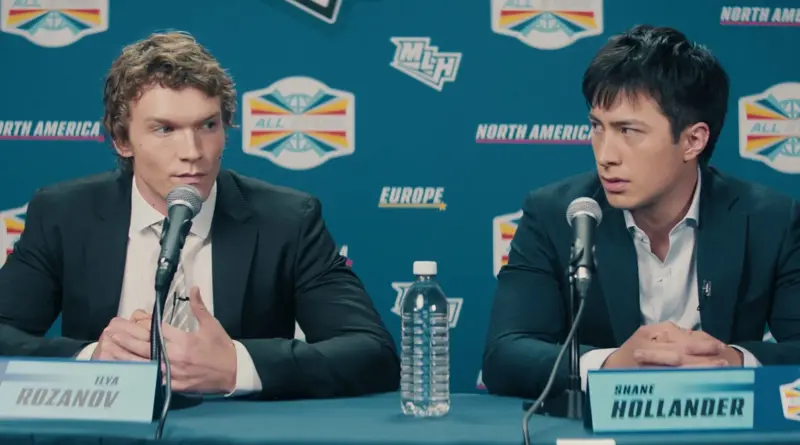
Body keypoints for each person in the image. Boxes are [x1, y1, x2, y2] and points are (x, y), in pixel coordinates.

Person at [0, 31, 399, 400]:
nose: (193, 151)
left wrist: (236, 366)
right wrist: (92, 360)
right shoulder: (64, 213)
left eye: (208, 125)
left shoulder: (288, 220)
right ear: (123, 140)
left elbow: (373, 353)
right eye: (165, 130)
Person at [481, 25, 800, 399]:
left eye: (628, 131)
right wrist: (611, 365)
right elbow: (505, 354)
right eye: (597, 127)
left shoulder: (770, 219)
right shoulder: (555, 214)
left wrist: (735, 361)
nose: (605, 155)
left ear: (693, 140)